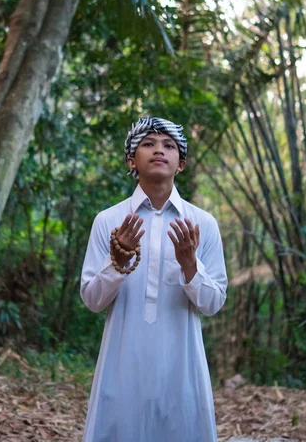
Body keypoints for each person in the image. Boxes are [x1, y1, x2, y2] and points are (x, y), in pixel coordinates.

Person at [80, 116, 227, 442]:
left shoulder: (202, 223)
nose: (159, 150)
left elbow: (214, 303)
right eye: (148, 143)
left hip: (182, 364)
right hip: (122, 363)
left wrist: (190, 265)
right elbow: (91, 300)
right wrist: (117, 263)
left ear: (182, 163)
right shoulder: (109, 220)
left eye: (169, 145)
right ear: (132, 160)